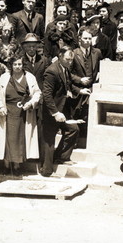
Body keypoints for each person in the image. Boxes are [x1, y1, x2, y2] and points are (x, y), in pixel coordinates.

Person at [40, 47, 90, 177]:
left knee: (73, 129)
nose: (70, 62)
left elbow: (68, 82)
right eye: (67, 59)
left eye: (71, 60)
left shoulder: (64, 68)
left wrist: (80, 91)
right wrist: (55, 113)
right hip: (51, 111)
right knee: (49, 140)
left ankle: (61, 156)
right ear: (60, 56)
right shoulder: (51, 71)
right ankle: (46, 170)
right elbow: (47, 95)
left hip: (62, 109)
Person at [0, 57, 41, 175]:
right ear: (11, 65)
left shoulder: (30, 77)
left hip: (23, 112)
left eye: (19, 64)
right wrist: (0, 107)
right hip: (7, 111)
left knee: (20, 139)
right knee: (8, 139)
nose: (17, 66)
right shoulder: (4, 77)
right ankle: (6, 165)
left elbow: (37, 93)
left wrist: (30, 103)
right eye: (15, 64)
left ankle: (17, 166)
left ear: (23, 65)